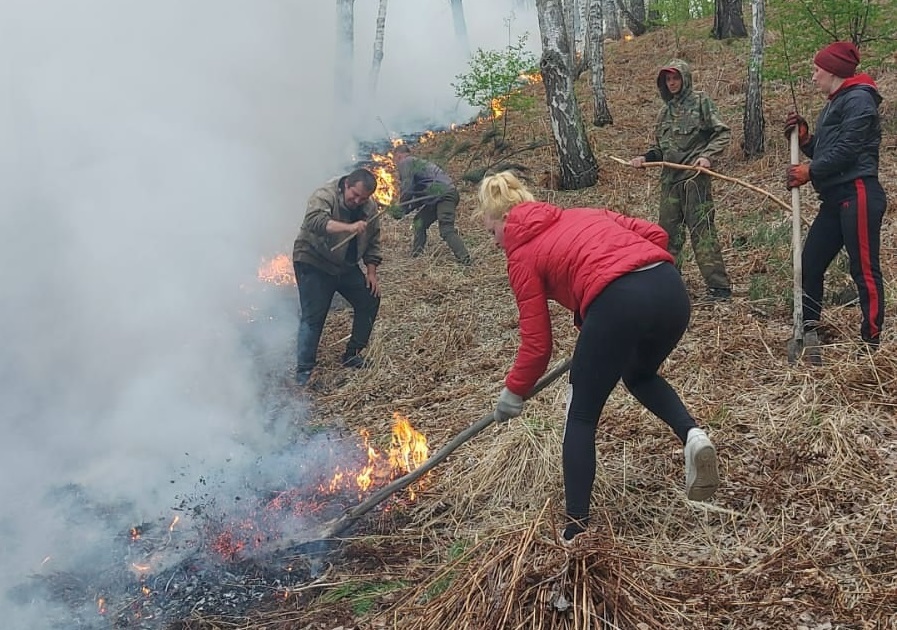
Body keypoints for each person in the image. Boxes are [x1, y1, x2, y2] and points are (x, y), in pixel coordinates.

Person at [479, 171, 720, 543]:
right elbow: (657, 236)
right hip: (670, 291)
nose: (494, 243)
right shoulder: (585, 213)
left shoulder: (521, 255)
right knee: (639, 375)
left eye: (491, 232)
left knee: (581, 414)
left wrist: (513, 392)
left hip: (617, 303)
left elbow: (537, 344)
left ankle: (575, 531)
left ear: (505, 220)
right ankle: (693, 436)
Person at [784, 41, 886, 350]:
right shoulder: (836, 102)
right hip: (835, 199)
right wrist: (806, 139)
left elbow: (848, 151)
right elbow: (828, 151)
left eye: (816, 70)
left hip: (858, 194)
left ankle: (871, 342)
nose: (813, 77)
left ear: (833, 71)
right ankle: (809, 328)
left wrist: (810, 172)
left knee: (864, 268)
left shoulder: (859, 100)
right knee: (810, 263)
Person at [630, 59, 732, 301]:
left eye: (675, 78)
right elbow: (660, 149)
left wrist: (707, 157)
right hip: (670, 182)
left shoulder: (701, 102)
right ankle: (669, 284)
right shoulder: (664, 112)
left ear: (685, 78)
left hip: (694, 180)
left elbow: (722, 132)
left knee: (702, 232)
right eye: (668, 79)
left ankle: (719, 288)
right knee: (667, 234)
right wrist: (644, 158)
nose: (672, 83)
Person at [292, 169, 382, 386]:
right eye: (355, 195)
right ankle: (304, 371)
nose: (357, 201)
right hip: (314, 260)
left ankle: (353, 353)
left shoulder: (369, 208)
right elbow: (316, 221)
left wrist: (371, 272)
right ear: (346, 185)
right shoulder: (325, 194)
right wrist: (349, 227)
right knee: (314, 316)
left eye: (363, 198)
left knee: (369, 299)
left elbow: (374, 241)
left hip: (344, 266)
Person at [393, 144, 471, 264]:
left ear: (398, 156)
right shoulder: (418, 164)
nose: (396, 165)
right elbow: (418, 198)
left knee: (446, 229)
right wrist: (405, 211)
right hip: (438, 196)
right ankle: (416, 254)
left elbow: (407, 187)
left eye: (395, 160)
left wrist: (401, 207)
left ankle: (465, 259)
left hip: (444, 195)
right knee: (419, 221)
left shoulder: (406, 162)